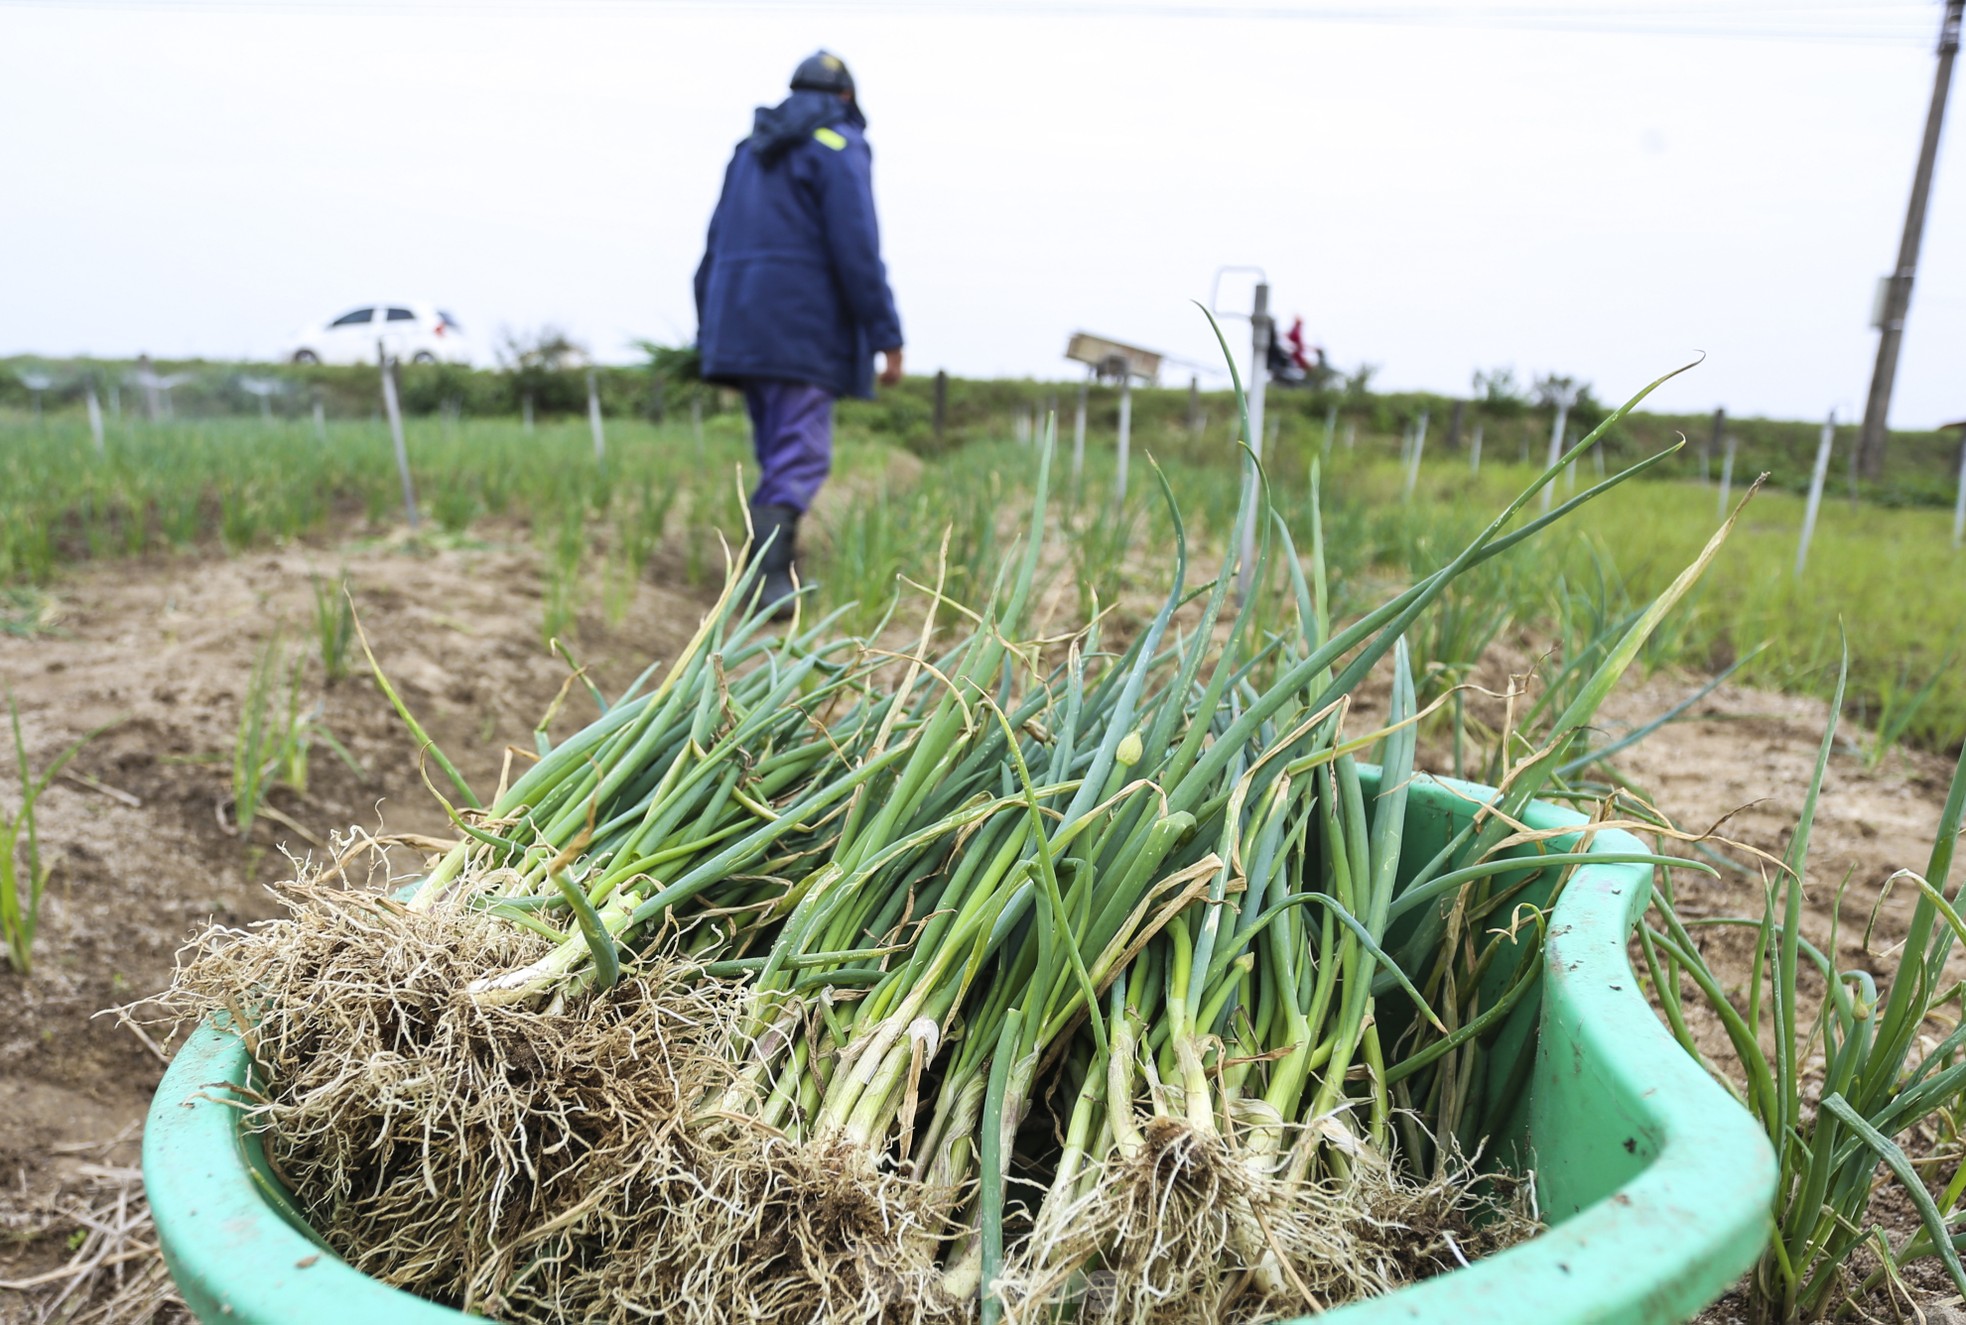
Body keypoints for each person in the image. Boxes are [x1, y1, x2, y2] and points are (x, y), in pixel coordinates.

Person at [694, 50, 904, 614]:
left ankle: (769, 571)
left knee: (777, 450)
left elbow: (712, 248)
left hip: (739, 322)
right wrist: (886, 332)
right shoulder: (837, 144)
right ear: (846, 98)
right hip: (803, 328)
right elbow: (858, 248)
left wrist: (708, 332)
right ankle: (769, 586)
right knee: (800, 454)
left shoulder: (748, 152)